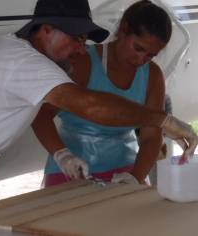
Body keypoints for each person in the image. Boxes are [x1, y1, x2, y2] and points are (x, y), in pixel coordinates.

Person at [0, 0, 197, 227]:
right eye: (76, 40)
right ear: (46, 30)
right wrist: (162, 119)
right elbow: (91, 105)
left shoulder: (2, 49)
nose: (81, 50)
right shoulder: (27, 62)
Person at [32, 0, 183, 187]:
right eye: (138, 48)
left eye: (151, 55)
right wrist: (62, 155)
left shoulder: (152, 75)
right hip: (72, 171)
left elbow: (151, 137)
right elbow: (41, 117)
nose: (141, 59)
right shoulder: (83, 62)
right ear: (123, 29)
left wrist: (135, 177)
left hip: (125, 172)